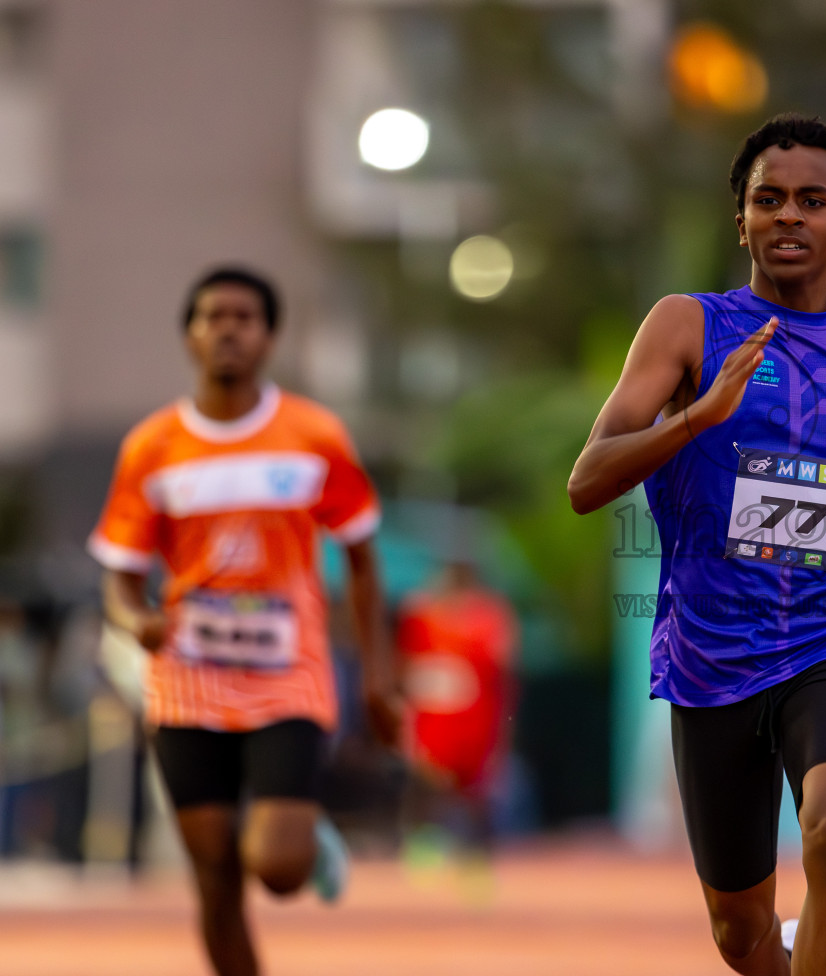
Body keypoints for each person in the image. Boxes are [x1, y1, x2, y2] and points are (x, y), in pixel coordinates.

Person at [568, 114, 826, 975]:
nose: (790, 215)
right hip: (711, 656)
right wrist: (699, 415)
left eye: (813, 201)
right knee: (741, 938)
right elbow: (588, 479)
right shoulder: (686, 327)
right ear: (742, 220)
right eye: (769, 199)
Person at [89, 266, 401, 976]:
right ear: (191, 335)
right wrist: (134, 619)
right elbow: (120, 577)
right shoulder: (152, 446)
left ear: (268, 336)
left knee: (276, 867)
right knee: (213, 875)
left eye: (244, 317)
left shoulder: (313, 433)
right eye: (212, 317)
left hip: (288, 672)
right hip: (187, 679)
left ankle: (301, 834)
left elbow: (361, 558)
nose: (228, 328)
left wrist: (380, 680)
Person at [396, 559, 518, 876]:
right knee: (427, 784)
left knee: (476, 792)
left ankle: (476, 860)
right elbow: (406, 667)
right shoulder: (423, 618)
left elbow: (503, 670)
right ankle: (423, 850)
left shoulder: (488, 621)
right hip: (433, 722)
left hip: (475, 723)